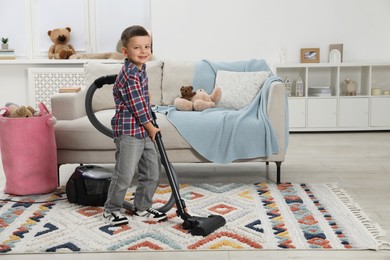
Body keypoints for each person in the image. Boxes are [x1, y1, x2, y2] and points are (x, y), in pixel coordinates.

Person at [103, 25, 167, 226]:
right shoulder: (129, 74)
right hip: (130, 132)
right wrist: (151, 128)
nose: (144, 51)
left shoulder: (141, 70)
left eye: (147, 46)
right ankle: (111, 209)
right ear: (125, 51)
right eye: (137, 47)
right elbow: (137, 107)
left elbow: (142, 99)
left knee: (152, 172)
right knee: (125, 174)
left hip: (143, 130)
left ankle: (142, 207)